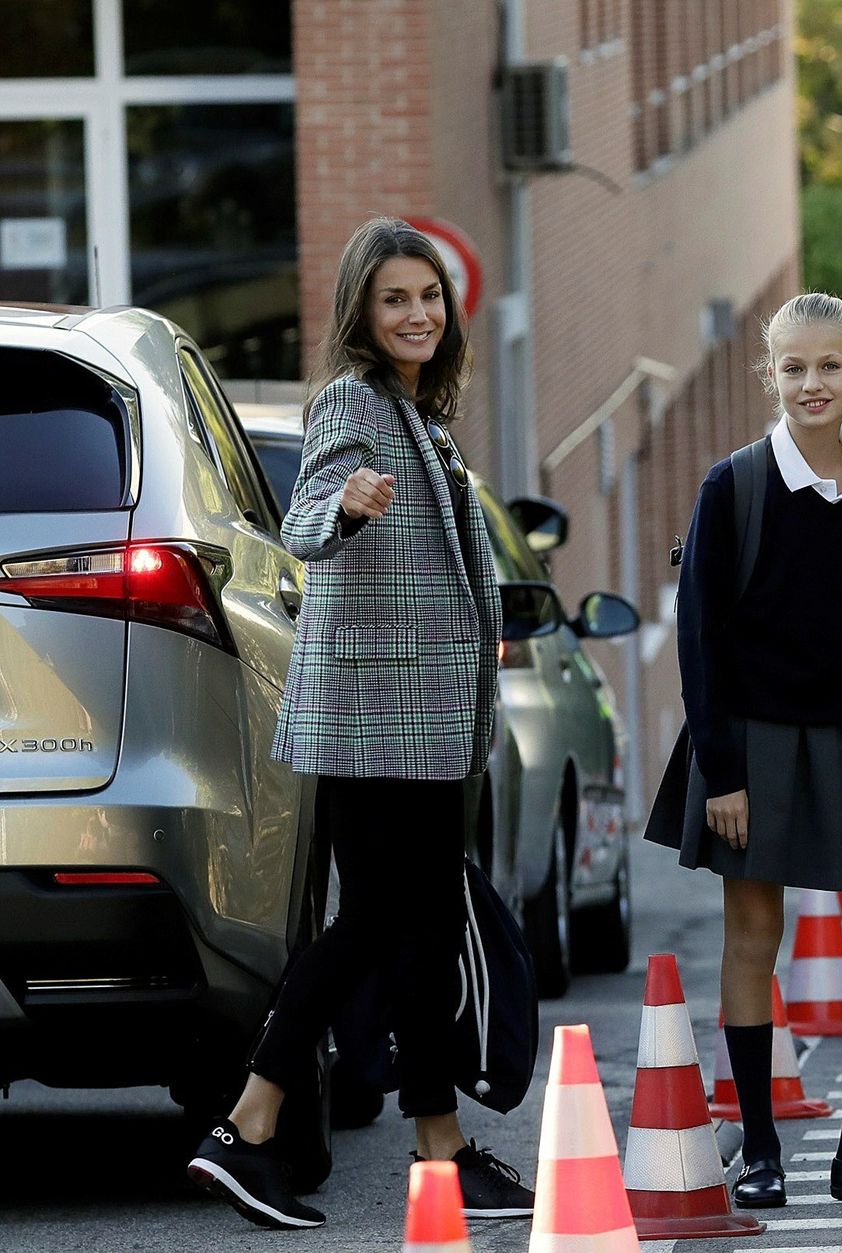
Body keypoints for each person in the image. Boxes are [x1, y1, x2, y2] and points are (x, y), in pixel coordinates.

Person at [186, 217, 533, 1229]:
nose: (417, 313)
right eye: (395, 299)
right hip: (376, 721)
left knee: (417, 934)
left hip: (422, 727)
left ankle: (441, 1151)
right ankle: (247, 1123)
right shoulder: (355, 402)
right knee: (378, 924)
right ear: (361, 313)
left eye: (428, 296)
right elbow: (304, 520)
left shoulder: (425, 413)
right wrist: (345, 504)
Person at [645, 292, 842, 1208]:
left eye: (829, 366)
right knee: (755, 934)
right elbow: (700, 640)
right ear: (771, 376)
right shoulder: (733, 485)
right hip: (746, 744)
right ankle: (759, 1151)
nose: (812, 382)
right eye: (794, 368)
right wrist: (723, 771)